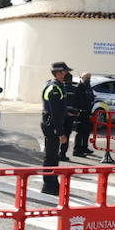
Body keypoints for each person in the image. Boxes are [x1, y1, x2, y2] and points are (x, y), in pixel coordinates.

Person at [40, 62, 73, 195]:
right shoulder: (54, 88)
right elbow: (54, 113)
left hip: (53, 124)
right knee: (51, 157)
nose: (67, 74)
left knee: (53, 157)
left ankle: (53, 183)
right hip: (52, 126)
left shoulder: (58, 85)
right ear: (59, 73)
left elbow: (58, 109)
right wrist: (60, 133)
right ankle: (48, 185)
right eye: (65, 72)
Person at [69, 71, 96, 158]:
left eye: (89, 78)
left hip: (87, 112)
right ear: (82, 78)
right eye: (87, 78)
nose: (88, 80)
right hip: (80, 113)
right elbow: (76, 101)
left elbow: (91, 97)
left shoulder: (88, 87)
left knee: (86, 131)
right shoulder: (79, 87)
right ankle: (77, 150)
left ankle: (84, 147)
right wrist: (77, 111)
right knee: (80, 132)